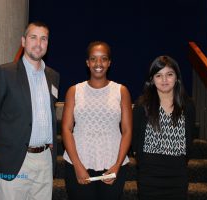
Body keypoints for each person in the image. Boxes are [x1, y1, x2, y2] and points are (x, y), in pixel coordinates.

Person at [0, 21, 60, 200]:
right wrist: (9, 140)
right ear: (23, 41)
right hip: (15, 158)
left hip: (44, 161)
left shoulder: (53, 76)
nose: (38, 43)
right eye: (33, 37)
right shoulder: (4, 73)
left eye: (44, 39)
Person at [61, 41, 133, 200]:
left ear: (109, 62)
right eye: (93, 59)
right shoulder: (74, 91)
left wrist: (117, 165)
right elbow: (66, 129)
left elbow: (127, 131)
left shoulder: (121, 91)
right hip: (78, 163)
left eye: (103, 58)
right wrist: (78, 166)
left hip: (113, 165)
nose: (98, 63)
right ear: (87, 63)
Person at [132, 55, 195, 200]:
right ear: (152, 80)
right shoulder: (142, 105)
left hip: (177, 175)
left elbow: (190, 139)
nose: (164, 80)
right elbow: (135, 140)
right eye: (159, 75)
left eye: (169, 74)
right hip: (149, 175)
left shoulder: (188, 105)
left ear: (177, 77)